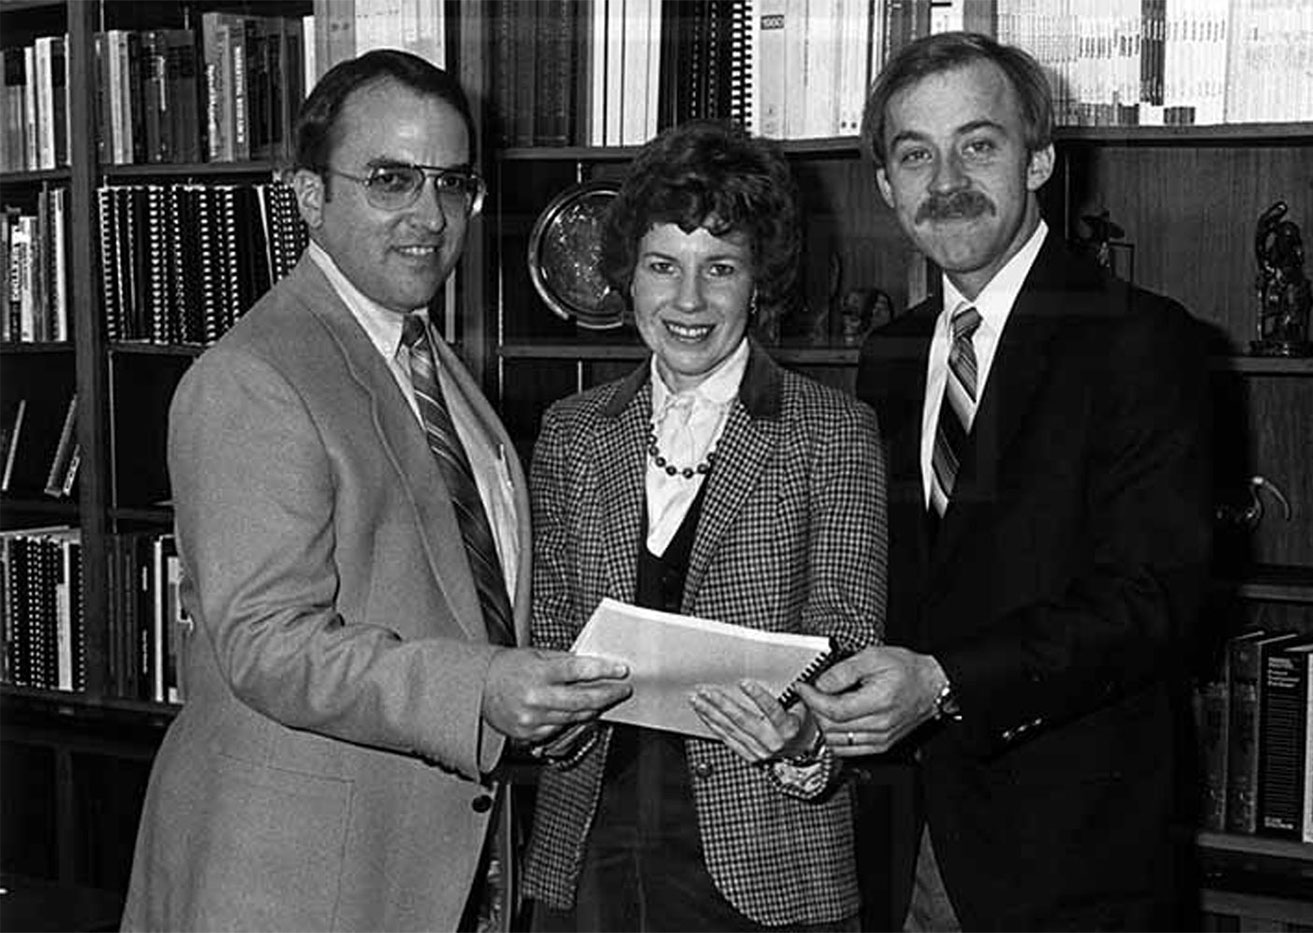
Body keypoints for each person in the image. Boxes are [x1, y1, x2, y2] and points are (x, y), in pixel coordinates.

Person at [121, 50, 631, 932]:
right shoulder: (253, 375)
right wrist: (479, 691)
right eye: (391, 179)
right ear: (309, 195)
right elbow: (269, 644)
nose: (428, 217)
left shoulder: (422, 354)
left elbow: (463, 593)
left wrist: (537, 697)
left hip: (417, 866)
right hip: (289, 881)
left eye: (451, 182)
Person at [795, 32, 1213, 931]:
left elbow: (1152, 600)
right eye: (915, 155)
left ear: (1041, 161)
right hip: (899, 847)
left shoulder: (1143, 341)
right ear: (884, 186)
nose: (945, 180)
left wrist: (945, 681)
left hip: (1068, 864)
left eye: (978, 145)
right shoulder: (891, 356)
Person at [519, 119, 887, 932]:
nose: (688, 301)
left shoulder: (831, 431)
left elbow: (849, 641)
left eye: (719, 267)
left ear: (760, 283)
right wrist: (550, 711)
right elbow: (545, 631)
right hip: (592, 853)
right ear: (630, 277)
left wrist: (800, 739)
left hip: (768, 859)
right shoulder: (572, 432)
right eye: (663, 266)